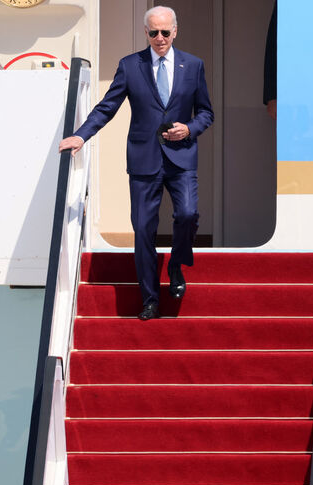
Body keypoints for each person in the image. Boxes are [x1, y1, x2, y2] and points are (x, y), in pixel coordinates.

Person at [58, 6, 214, 320]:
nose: (159, 38)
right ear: (146, 32)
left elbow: (206, 113)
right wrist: (81, 136)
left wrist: (190, 128)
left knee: (188, 213)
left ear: (175, 31)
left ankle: (176, 262)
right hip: (144, 159)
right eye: (153, 32)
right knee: (143, 229)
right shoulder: (130, 66)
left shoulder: (193, 65)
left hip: (181, 156)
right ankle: (150, 299)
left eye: (165, 32)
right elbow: (107, 107)